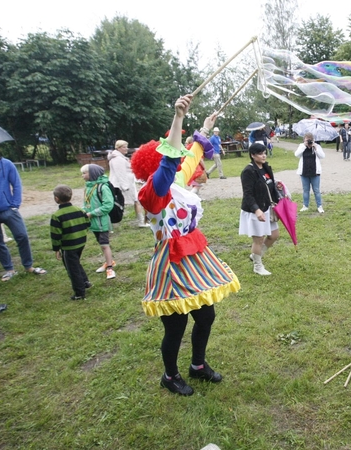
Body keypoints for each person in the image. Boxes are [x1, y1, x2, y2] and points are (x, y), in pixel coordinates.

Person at [131, 95, 240, 396]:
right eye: (168, 158)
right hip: (170, 265)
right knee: (175, 327)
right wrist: (178, 117)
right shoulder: (151, 194)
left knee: (206, 316)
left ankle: (198, 365)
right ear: (153, 165)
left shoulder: (177, 178)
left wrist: (204, 127)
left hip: (194, 258)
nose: (177, 162)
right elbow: (169, 163)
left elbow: (191, 152)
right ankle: (170, 375)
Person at [0, 154, 47, 281]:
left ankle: (28, 266)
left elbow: (16, 184)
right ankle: (9, 269)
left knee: (22, 236)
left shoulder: (6, 164)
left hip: (8, 209)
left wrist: (14, 205)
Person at [239, 143, 280, 276]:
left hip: (268, 207)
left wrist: (276, 186)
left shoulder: (266, 167)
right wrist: (256, 210)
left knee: (274, 235)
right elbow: (248, 194)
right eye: (260, 153)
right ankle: (257, 266)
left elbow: (269, 186)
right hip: (255, 210)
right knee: (259, 239)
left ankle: (256, 255)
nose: (264, 155)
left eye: (264, 153)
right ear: (252, 155)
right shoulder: (248, 171)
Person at [50, 184, 91, 300]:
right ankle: (85, 281)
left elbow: (55, 235)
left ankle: (79, 293)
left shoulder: (56, 216)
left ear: (56, 198)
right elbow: (87, 224)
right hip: (81, 243)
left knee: (72, 268)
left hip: (68, 246)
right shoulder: (79, 210)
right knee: (75, 262)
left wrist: (56, 248)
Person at [81, 164, 116, 279]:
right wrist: (83, 211)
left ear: (92, 174)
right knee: (101, 245)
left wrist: (92, 213)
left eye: (84, 173)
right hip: (93, 223)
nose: (82, 176)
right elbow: (86, 203)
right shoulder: (88, 187)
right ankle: (109, 261)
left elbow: (108, 205)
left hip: (102, 222)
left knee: (105, 245)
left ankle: (110, 268)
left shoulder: (102, 187)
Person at [108, 140, 147, 227]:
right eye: (124, 147)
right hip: (120, 186)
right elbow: (120, 173)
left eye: (126, 146)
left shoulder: (119, 157)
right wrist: (125, 186)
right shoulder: (117, 159)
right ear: (118, 148)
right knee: (115, 204)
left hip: (126, 184)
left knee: (136, 201)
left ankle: (141, 221)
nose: (126, 149)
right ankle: (109, 224)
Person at [295, 133, 325, 213]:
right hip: (304, 171)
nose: (308, 141)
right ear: (304, 140)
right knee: (305, 190)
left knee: (316, 190)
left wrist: (316, 148)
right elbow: (296, 154)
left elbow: (322, 156)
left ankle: (319, 206)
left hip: (315, 171)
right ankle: (305, 205)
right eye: (307, 139)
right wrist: (304, 146)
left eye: (310, 139)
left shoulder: (316, 146)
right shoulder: (301, 146)